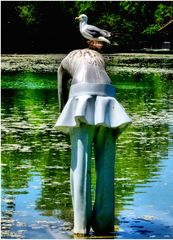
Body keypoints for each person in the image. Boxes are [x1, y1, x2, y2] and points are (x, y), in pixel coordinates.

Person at [55, 40, 131, 235]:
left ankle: (81, 227)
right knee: (106, 167)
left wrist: (65, 116)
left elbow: (61, 91)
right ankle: (104, 225)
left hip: (81, 98)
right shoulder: (99, 58)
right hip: (108, 100)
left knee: (80, 166)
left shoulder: (65, 61)